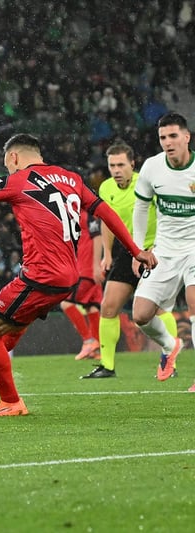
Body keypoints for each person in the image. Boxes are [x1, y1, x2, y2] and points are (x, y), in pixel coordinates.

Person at [0, 133, 158, 416]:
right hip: (68, 278)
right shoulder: (71, 179)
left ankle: (10, 401)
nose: (8, 170)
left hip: (41, 276)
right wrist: (136, 250)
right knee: (11, 331)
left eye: (7, 164)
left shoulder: (18, 180)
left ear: (13, 157)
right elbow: (106, 213)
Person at [82, 141, 178, 378]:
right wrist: (106, 253)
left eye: (121, 165)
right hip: (128, 253)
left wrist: (155, 247)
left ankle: (170, 363)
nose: (116, 170)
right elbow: (107, 222)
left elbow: (165, 215)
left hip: (155, 251)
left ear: (132, 164)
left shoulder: (146, 183)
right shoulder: (106, 188)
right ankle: (107, 366)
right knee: (108, 306)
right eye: (112, 165)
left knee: (157, 309)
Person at [130, 112, 195, 386]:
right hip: (164, 251)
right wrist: (138, 249)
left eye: (173, 136)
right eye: (163, 137)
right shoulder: (152, 167)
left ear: (186, 137)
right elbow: (141, 208)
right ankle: (170, 345)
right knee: (141, 314)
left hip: (194, 248)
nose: (168, 142)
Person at [59, 206, 103, 360]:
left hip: (86, 269)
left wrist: (96, 266)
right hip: (88, 268)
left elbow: (97, 237)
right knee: (91, 306)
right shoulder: (79, 213)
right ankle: (96, 348)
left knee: (65, 303)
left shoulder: (88, 214)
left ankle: (88, 341)